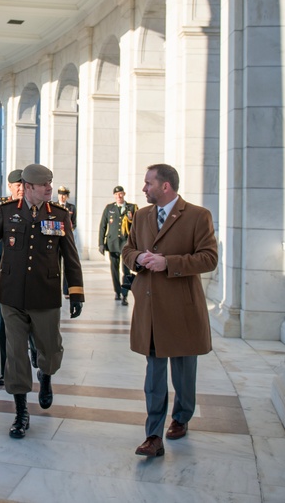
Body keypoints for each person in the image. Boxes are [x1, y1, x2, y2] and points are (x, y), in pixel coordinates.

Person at [0, 163, 84, 439]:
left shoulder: (59, 215)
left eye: (50, 183)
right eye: (44, 184)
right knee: (16, 353)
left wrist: (76, 291)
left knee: (51, 350)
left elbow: (70, 257)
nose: (50, 188)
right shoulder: (6, 212)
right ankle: (21, 412)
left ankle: (45, 376)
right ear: (29, 187)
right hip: (11, 296)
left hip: (45, 296)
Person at [121, 163, 217, 458]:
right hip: (150, 308)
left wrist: (169, 263)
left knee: (184, 371)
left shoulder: (198, 216)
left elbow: (209, 258)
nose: (143, 188)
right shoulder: (141, 215)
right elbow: (127, 250)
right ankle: (153, 435)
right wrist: (138, 259)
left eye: (148, 183)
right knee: (154, 373)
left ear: (165, 186)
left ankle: (182, 416)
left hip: (183, 308)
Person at [0, 169, 37, 387]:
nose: (20, 190)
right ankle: (6, 370)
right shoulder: (0, 207)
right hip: (6, 275)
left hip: (33, 276)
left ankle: (35, 351)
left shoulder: (37, 207)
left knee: (35, 319)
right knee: (4, 324)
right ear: (10, 187)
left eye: (23, 186)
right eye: (17, 186)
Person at [98, 185, 138, 305]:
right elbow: (103, 226)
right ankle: (117, 291)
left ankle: (125, 294)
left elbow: (137, 226)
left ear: (124, 194)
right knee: (114, 269)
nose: (118, 196)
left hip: (126, 244)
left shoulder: (132, 208)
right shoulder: (109, 208)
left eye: (120, 194)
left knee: (126, 270)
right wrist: (101, 243)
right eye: (116, 194)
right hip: (113, 243)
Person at [56, 185, 76, 298]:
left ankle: (66, 290)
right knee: (56, 264)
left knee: (68, 264)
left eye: (64, 195)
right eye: (60, 194)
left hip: (67, 239)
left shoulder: (72, 208)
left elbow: (74, 223)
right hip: (56, 239)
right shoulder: (52, 206)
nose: (62, 197)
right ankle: (56, 288)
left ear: (67, 196)